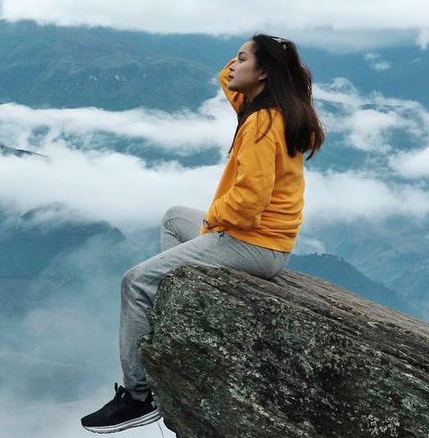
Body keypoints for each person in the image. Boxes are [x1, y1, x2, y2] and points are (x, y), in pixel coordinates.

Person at [81, 34, 325, 433]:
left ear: (263, 73)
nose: (234, 64)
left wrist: (213, 222)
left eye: (244, 58)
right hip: (266, 241)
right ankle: (169, 320)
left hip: (253, 243)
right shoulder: (271, 108)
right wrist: (267, 53)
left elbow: (248, 204)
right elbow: (225, 77)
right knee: (175, 218)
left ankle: (138, 396)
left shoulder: (262, 125)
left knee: (136, 281)